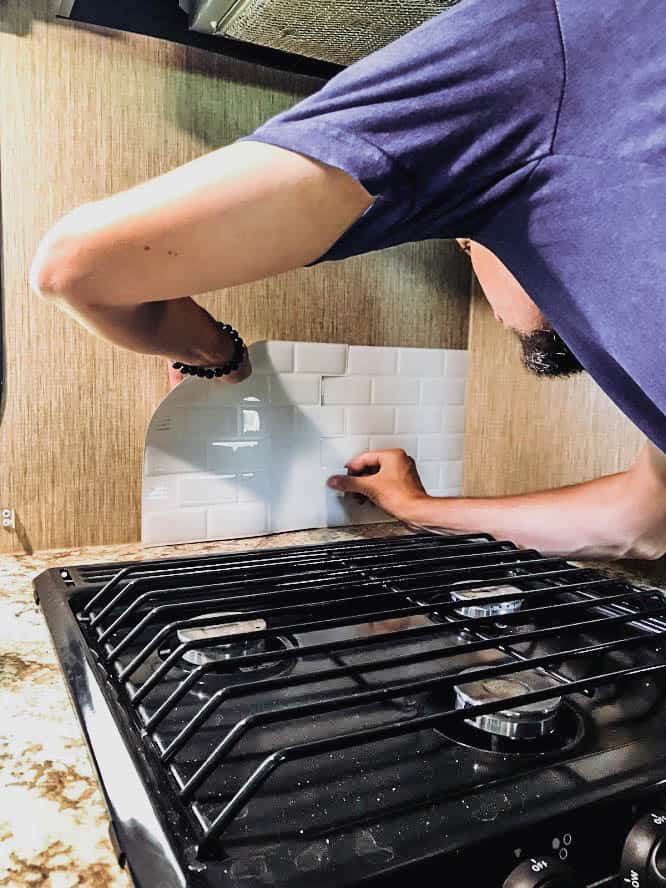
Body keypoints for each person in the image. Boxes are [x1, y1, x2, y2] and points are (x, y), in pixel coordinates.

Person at [29, 0, 666, 560]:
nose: (500, 317)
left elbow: (79, 266)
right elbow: (643, 519)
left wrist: (216, 357)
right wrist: (420, 510)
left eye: (472, 246)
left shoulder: (546, 47)